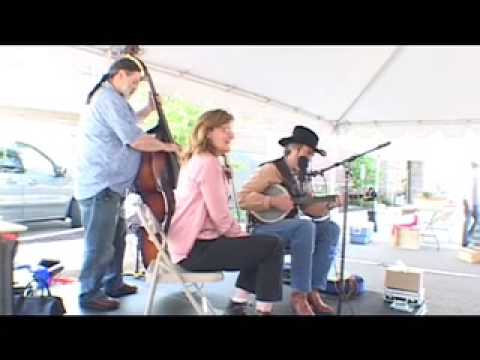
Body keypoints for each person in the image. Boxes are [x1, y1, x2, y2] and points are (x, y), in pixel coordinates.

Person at [74, 57, 180, 311]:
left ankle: (113, 283)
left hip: (112, 186)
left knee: (117, 239)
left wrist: (148, 110)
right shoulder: (108, 98)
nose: (134, 87)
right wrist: (167, 146)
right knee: (99, 244)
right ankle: (89, 294)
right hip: (101, 185)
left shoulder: (115, 100)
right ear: (119, 75)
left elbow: (130, 122)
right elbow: (135, 139)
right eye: (133, 82)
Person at [167, 109, 284, 315]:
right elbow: (220, 217)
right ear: (208, 132)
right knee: (272, 246)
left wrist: (243, 237)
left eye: (231, 129)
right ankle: (262, 310)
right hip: (196, 250)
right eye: (225, 129)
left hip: (190, 247)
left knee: (259, 245)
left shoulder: (199, 159)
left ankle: (238, 303)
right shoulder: (207, 162)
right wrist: (241, 235)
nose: (231, 135)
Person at [239, 125, 342, 316]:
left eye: (312, 154)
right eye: (308, 153)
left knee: (330, 229)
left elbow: (312, 210)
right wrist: (272, 201)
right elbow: (242, 198)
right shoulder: (270, 170)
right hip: (263, 228)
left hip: (291, 228)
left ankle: (313, 290)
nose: (310, 158)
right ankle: (299, 295)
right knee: (305, 227)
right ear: (293, 149)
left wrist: (332, 203)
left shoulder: (302, 178)